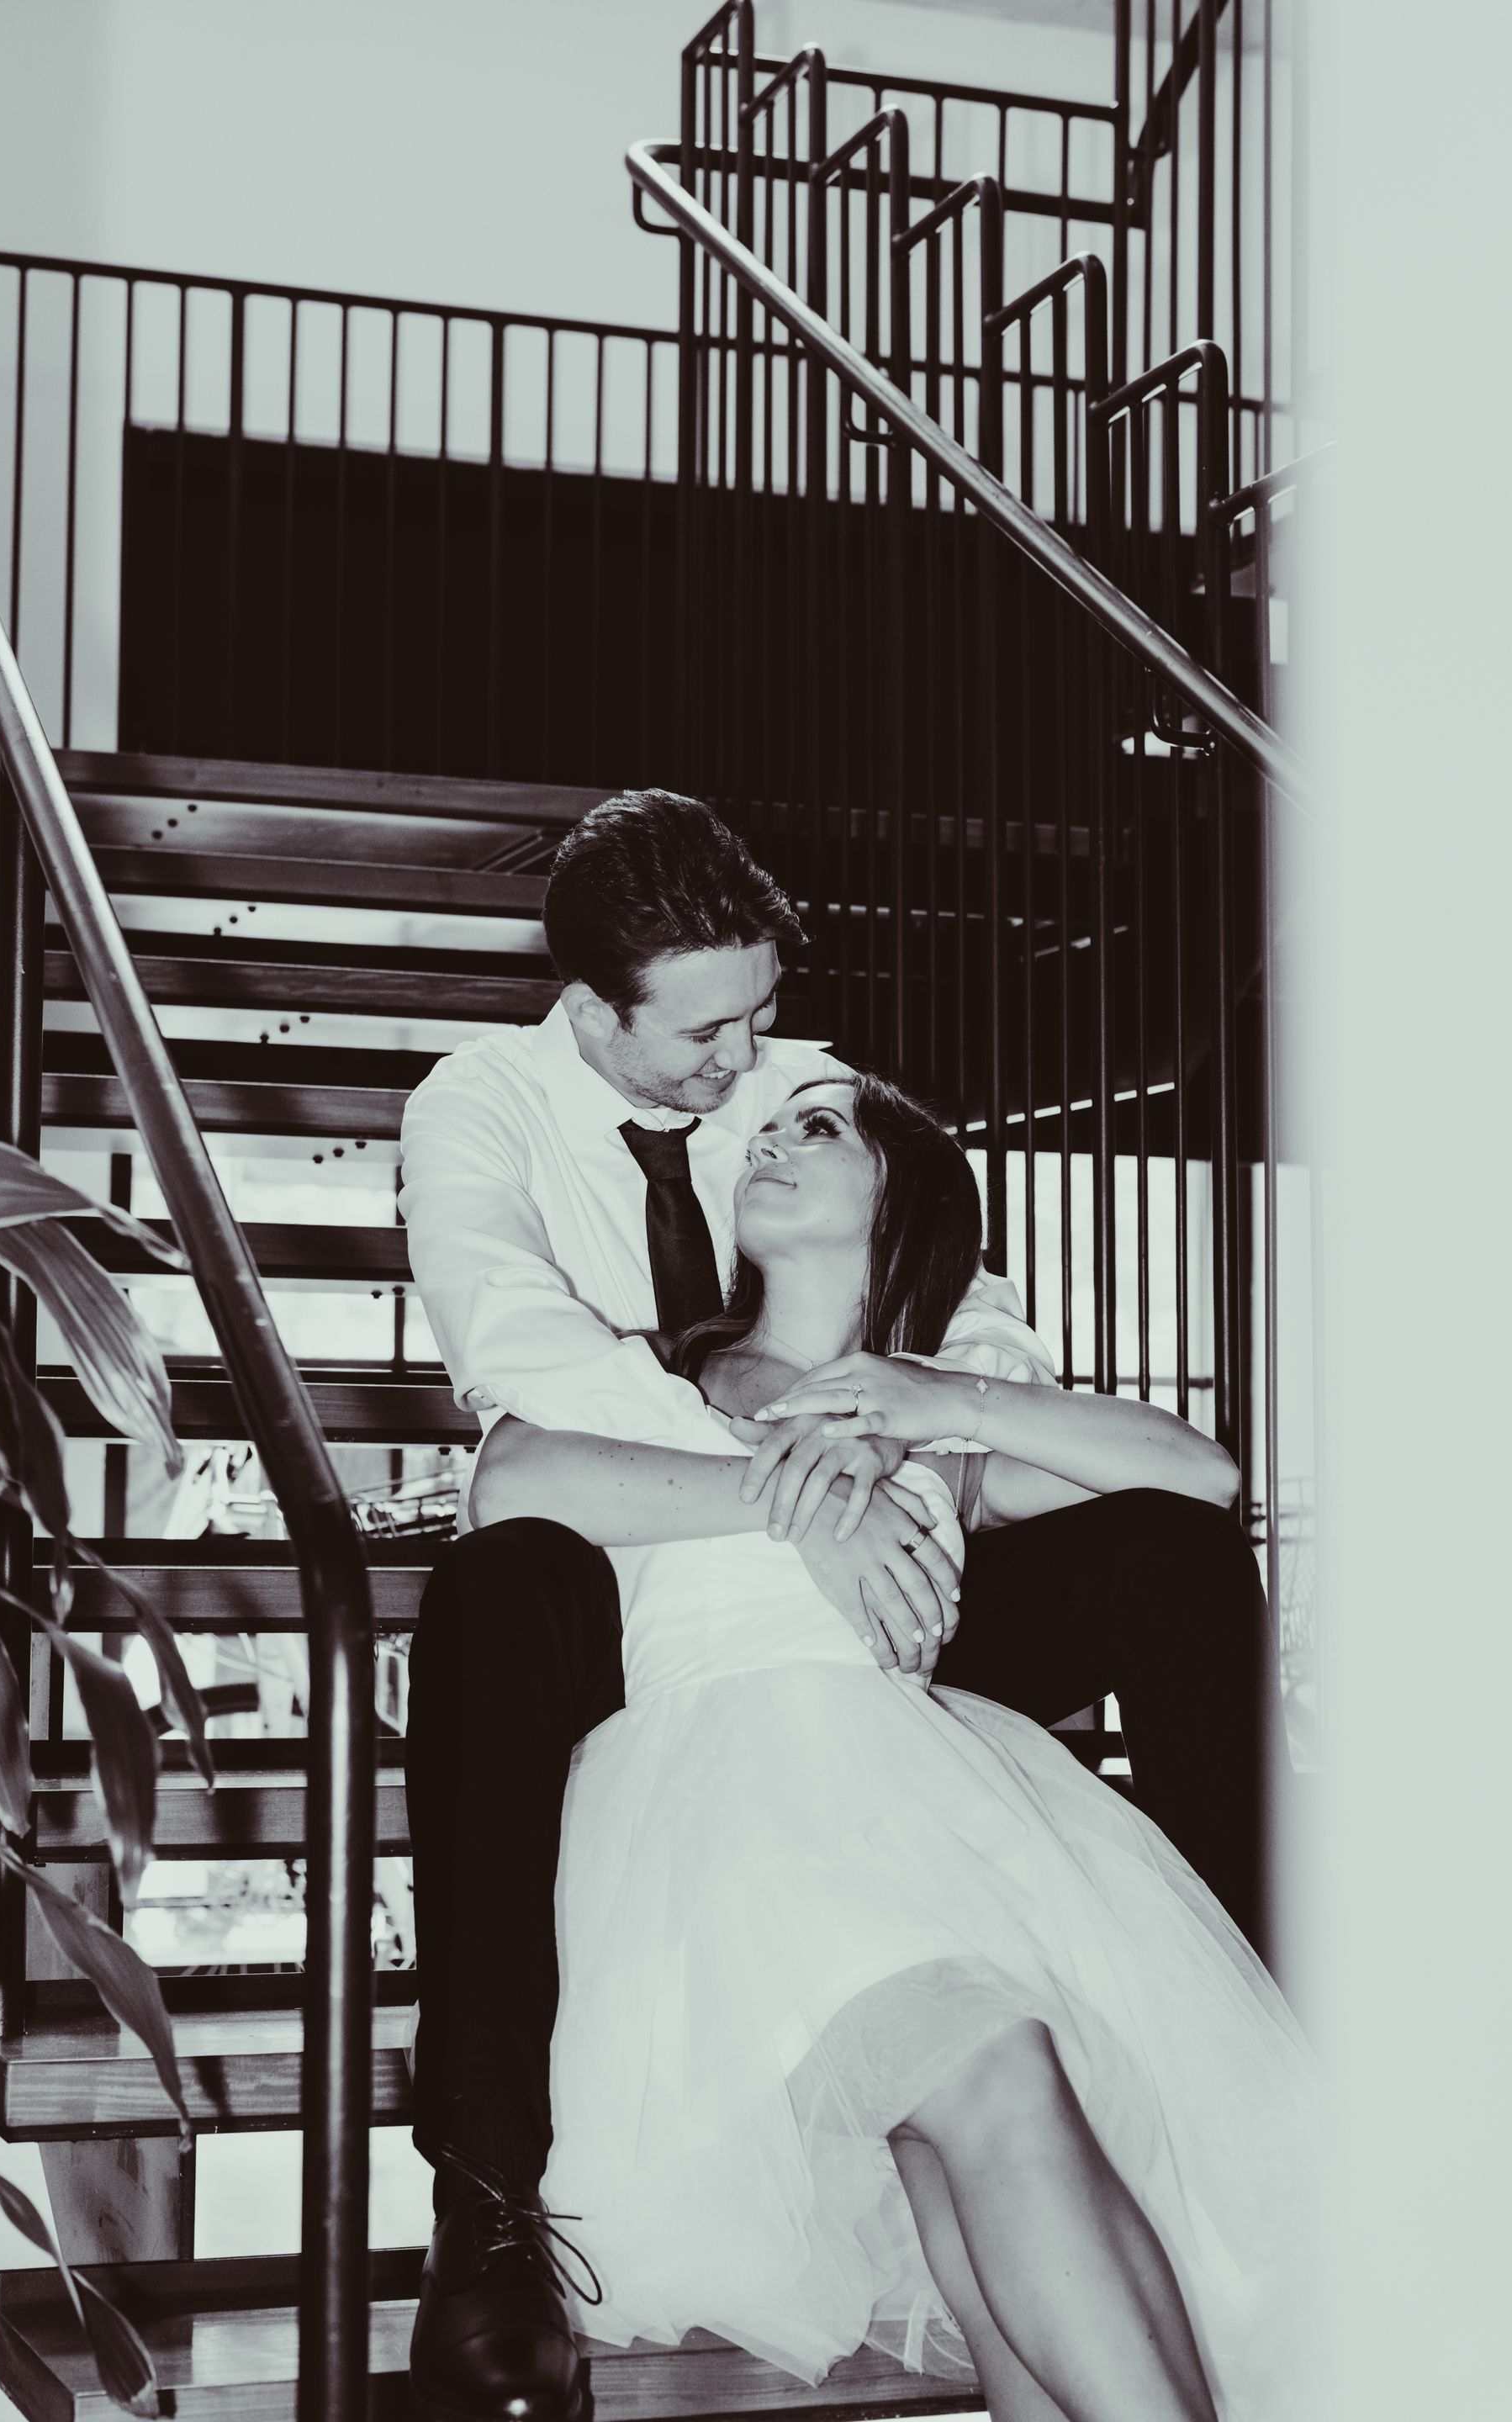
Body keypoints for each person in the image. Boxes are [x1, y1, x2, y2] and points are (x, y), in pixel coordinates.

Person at [397, 792, 1284, 2421]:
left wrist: (928, 1409)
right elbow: (522, 1425)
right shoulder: (489, 1122)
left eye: (777, 1045)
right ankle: (485, 2203)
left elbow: (1154, 1442)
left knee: (987, 2155)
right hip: (702, 1697)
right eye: (712, 1040)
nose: (763, 1083)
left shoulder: (796, 1110)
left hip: (901, 1733)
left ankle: (1267, 1983)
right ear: (598, 1015)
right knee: (998, 2095)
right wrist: (781, 1490)